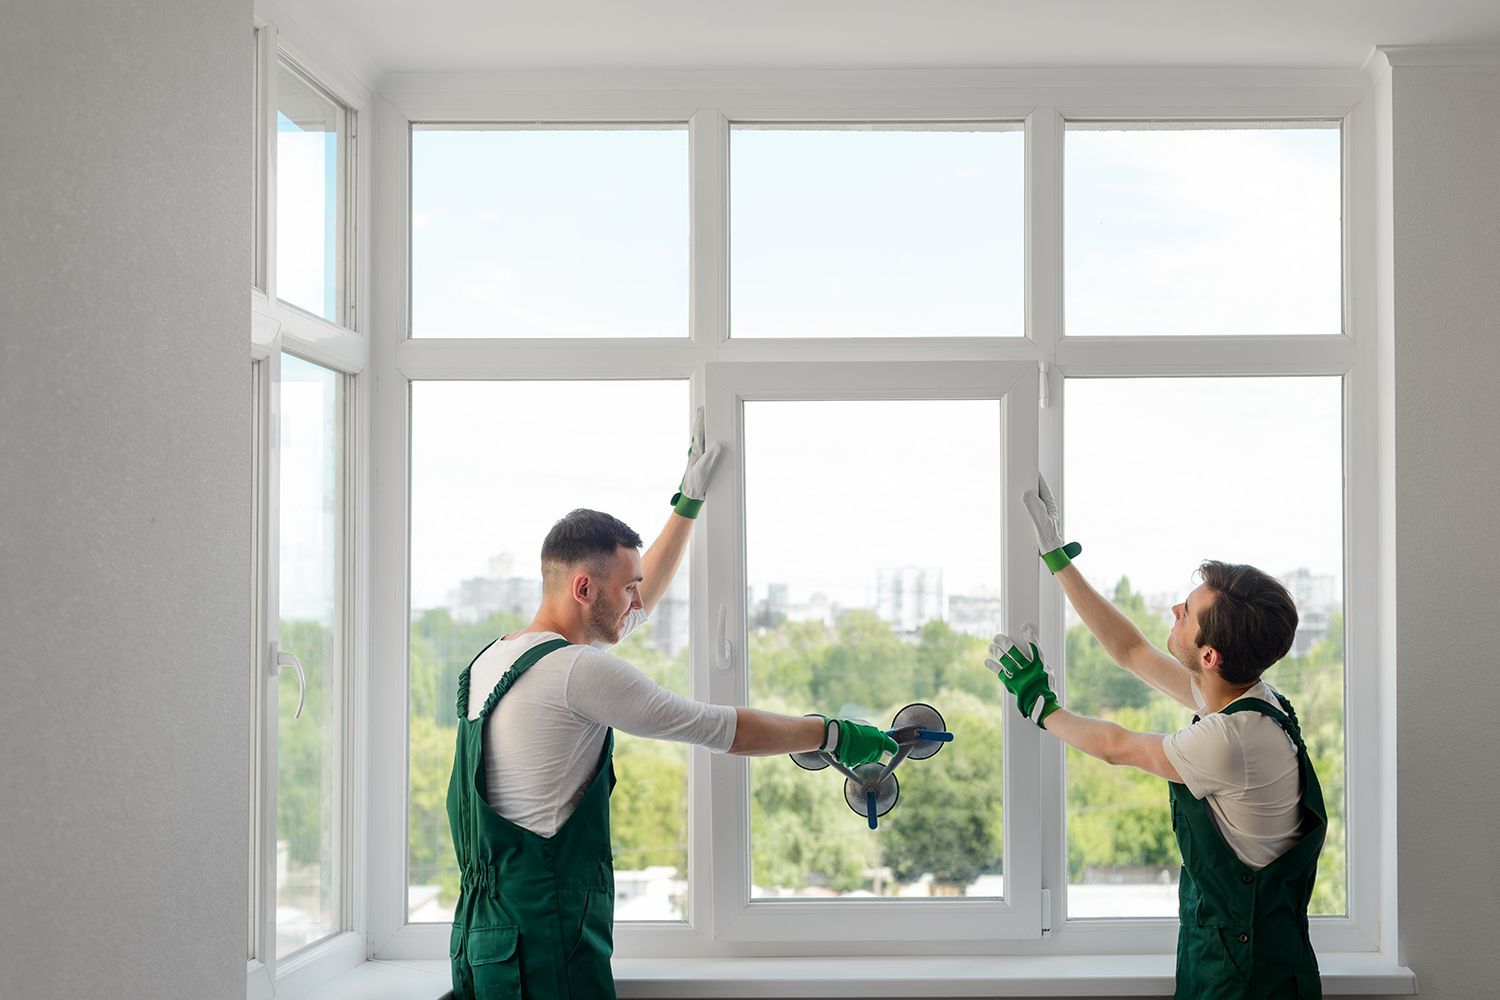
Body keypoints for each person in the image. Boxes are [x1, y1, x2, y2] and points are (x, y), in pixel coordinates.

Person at [447, 409, 896, 1000]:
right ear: (584, 588)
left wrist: (687, 504)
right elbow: (722, 729)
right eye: (626, 585)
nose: (638, 600)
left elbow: (628, 609)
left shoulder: (494, 661)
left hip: (483, 941)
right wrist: (831, 733)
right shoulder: (578, 672)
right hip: (546, 949)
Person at [986, 476, 1325, 1000]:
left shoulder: (1229, 740)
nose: (1175, 611)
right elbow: (1134, 653)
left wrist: (1040, 705)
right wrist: (1057, 559)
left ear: (1209, 656)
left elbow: (1117, 748)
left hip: (1242, 981)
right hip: (1249, 959)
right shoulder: (1253, 697)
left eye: (1186, 614)